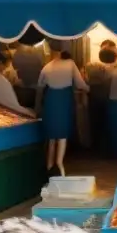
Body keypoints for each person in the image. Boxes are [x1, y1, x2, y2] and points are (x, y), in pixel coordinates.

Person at [37, 49, 88, 177]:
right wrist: (89, 88)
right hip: (64, 99)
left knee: (51, 135)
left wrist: (37, 106)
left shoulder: (47, 67)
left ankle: (49, 165)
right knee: (62, 133)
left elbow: (39, 87)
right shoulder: (70, 63)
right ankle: (60, 165)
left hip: (50, 99)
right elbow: (79, 83)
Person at [84, 46, 117, 154]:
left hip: (93, 97)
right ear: (114, 57)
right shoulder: (115, 69)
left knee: (94, 123)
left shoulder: (90, 66)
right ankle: (106, 148)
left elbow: (85, 80)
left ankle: (95, 147)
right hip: (109, 98)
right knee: (107, 123)